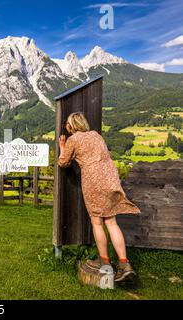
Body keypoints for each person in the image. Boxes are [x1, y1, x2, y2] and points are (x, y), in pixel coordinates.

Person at [58, 112, 140, 282]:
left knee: (97, 222)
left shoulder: (74, 139)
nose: (66, 126)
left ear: (71, 125)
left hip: (94, 181)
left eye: (67, 123)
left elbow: (63, 162)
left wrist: (62, 148)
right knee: (111, 222)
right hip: (110, 178)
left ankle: (105, 262)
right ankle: (124, 264)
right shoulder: (95, 135)